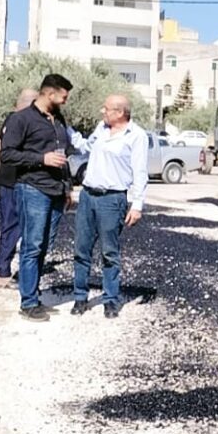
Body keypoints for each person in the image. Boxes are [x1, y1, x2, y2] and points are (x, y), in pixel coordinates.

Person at [0, 74, 87, 322]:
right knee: (32, 245)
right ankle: (28, 303)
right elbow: (7, 154)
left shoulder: (58, 119)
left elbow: (63, 156)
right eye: (63, 97)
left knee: (45, 245)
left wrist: (68, 187)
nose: (65, 101)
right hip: (32, 189)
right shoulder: (21, 119)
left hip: (56, 191)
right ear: (50, 93)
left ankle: (34, 295)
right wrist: (41, 159)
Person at [70, 94, 148, 318]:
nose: (102, 112)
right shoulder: (101, 129)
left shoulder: (137, 136)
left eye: (106, 108)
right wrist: (66, 130)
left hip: (112, 199)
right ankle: (80, 297)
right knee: (81, 249)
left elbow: (140, 172)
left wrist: (137, 205)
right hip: (88, 195)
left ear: (120, 113)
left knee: (109, 252)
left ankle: (110, 300)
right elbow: (86, 147)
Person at [0, 88, 39, 288]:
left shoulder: (10, 118)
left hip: (5, 178)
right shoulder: (23, 121)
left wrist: (3, 158)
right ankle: (3, 271)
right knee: (14, 225)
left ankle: (1, 265)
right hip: (14, 180)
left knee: (9, 224)